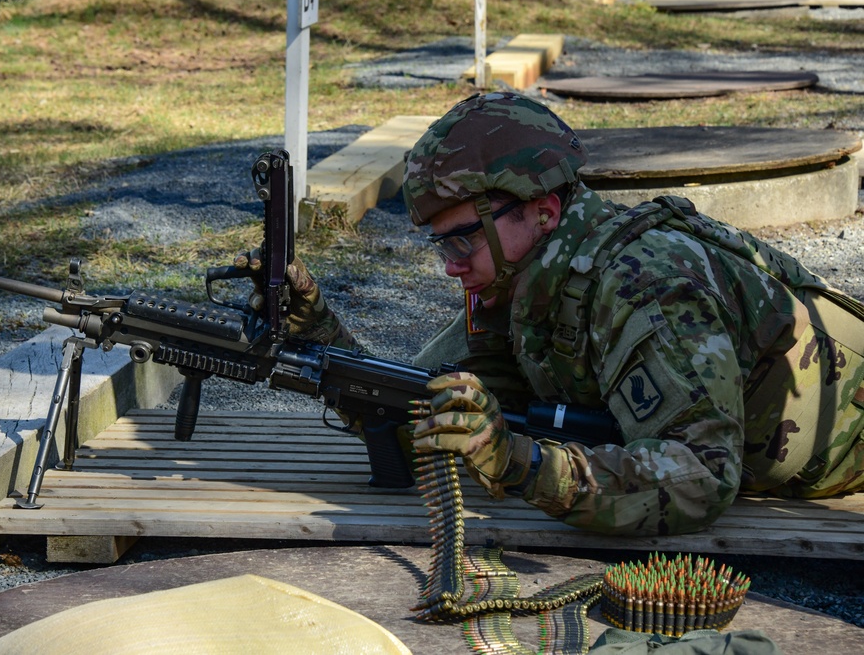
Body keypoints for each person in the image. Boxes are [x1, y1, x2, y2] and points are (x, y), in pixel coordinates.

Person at [242, 91, 864, 536]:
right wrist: (320, 337)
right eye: (441, 243)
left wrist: (523, 463)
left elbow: (700, 476)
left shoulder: (645, 286)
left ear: (541, 211)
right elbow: (431, 418)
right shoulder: (524, 282)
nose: (451, 265)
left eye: (463, 238)